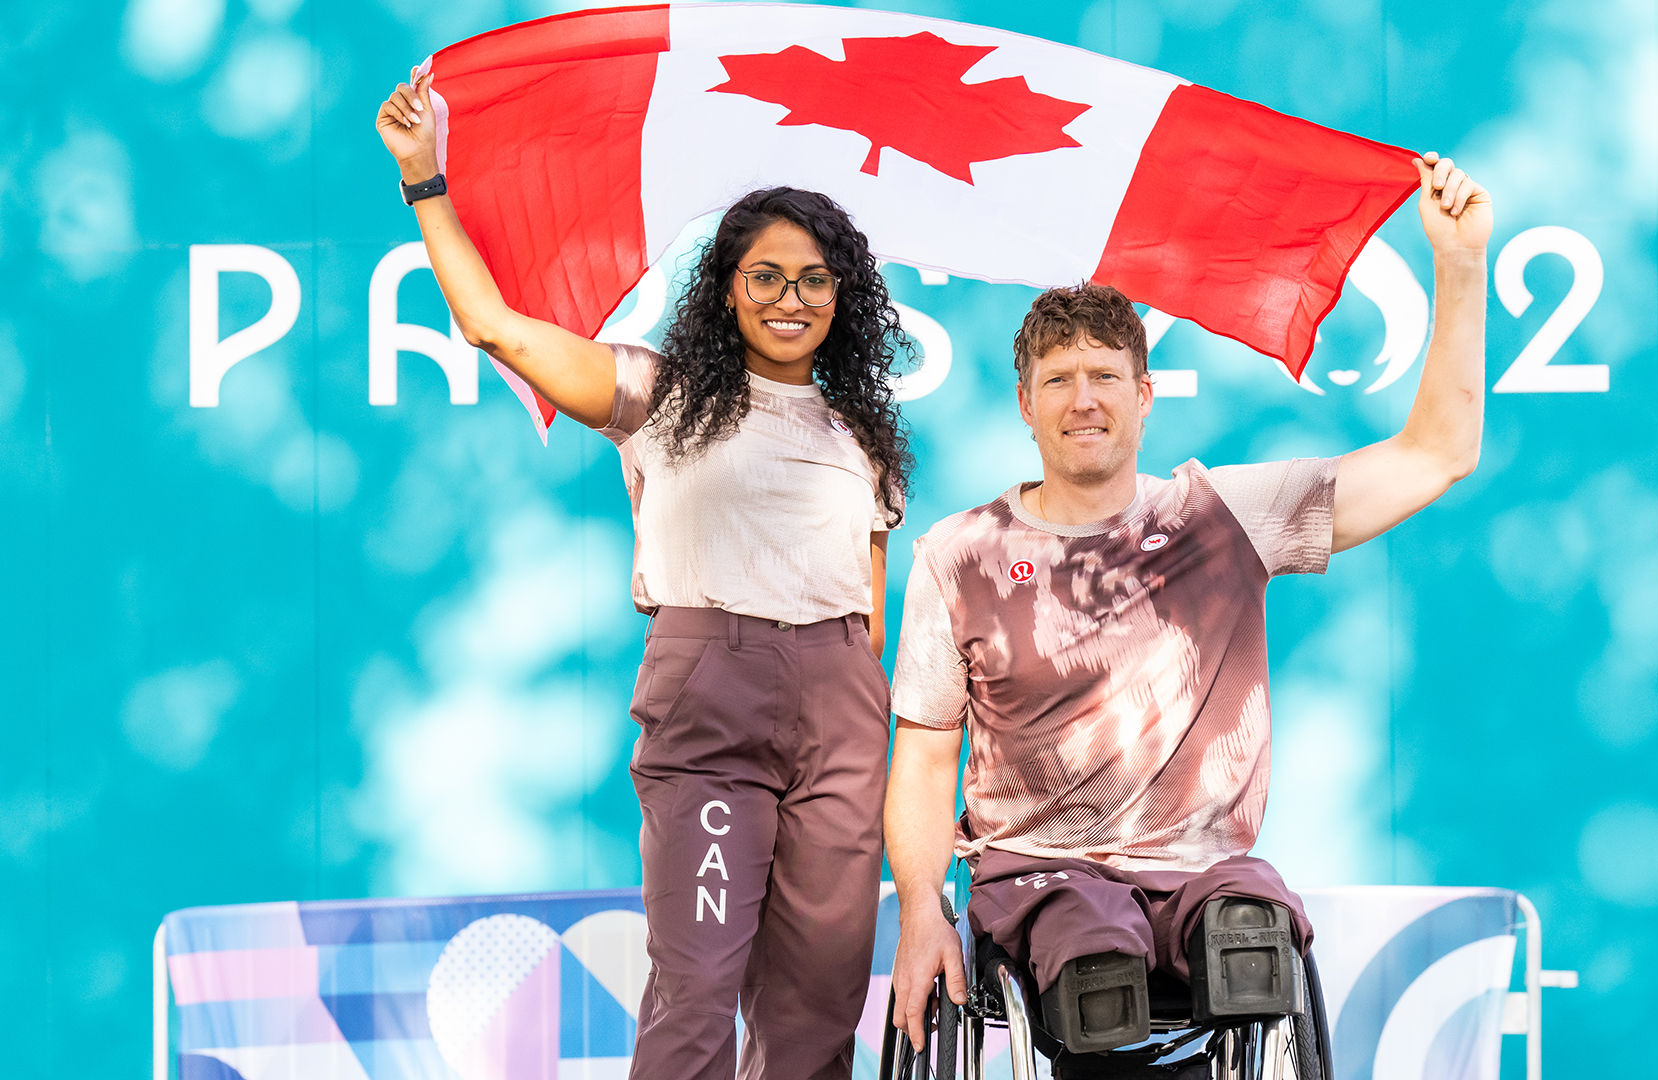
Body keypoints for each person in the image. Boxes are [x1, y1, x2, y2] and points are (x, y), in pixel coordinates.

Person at [884, 153, 1491, 1053]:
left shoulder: (1223, 516)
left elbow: (1436, 454)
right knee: (1095, 960)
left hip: (1202, 872)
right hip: (1040, 878)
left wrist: (1461, 263)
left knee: (1250, 931)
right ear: (1025, 402)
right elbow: (928, 759)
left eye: (1104, 377)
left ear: (1145, 397)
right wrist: (922, 915)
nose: (1082, 399)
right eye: (1058, 380)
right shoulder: (958, 554)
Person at [377, 73, 913, 1080]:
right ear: (725, 288)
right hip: (714, 699)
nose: (789, 299)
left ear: (844, 298)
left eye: (813, 279)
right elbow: (494, 326)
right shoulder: (654, 395)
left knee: (819, 1009)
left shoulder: (863, 441)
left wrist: (855, 704)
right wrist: (425, 180)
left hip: (842, 708)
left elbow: (870, 615)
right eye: (765, 275)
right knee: (697, 990)